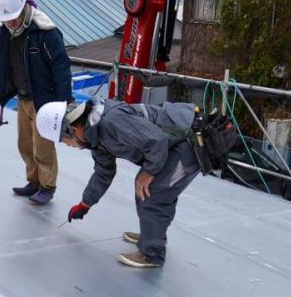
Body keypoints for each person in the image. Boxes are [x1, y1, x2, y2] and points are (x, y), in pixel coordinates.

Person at [37, 97, 201, 268]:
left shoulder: (111, 121)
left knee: (153, 194)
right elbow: (103, 173)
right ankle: (150, 235)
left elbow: (157, 140)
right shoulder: (94, 136)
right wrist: (85, 203)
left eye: (65, 141)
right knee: (144, 187)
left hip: (188, 141)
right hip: (171, 144)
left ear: (72, 129)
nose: (69, 145)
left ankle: (152, 254)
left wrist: (149, 171)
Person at [0, 0, 72, 206]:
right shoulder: (5, 32)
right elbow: (3, 64)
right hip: (23, 96)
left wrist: (65, 100)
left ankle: (47, 186)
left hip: (44, 99)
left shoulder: (45, 31)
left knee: (43, 146)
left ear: (24, 7)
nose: (11, 22)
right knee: (25, 145)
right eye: (7, 19)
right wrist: (2, 92)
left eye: (14, 17)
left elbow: (61, 67)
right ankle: (33, 181)